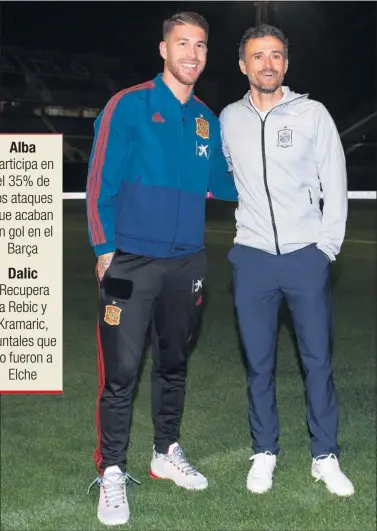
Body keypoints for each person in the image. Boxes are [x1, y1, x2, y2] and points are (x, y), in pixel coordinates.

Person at [85, 11, 237, 527]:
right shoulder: (128, 105)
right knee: (122, 372)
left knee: (173, 364)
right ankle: (111, 471)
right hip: (131, 259)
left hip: (187, 262)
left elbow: (225, 183)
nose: (192, 53)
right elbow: (99, 180)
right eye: (182, 43)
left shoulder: (206, 120)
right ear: (163, 49)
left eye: (200, 45)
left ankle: (165, 451)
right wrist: (105, 248)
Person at [219, 24, 354, 497]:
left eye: (276, 55)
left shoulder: (313, 114)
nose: (268, 64)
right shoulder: (228, 119)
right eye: (258, 56)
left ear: (286, 64)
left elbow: (335, 185)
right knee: (259, 364)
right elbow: (224, 176)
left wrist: (325, 250)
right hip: (252, 259)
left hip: (304, 258)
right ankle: (265, 452)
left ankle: (325, 455)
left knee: (317, 361)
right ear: (243, 65)